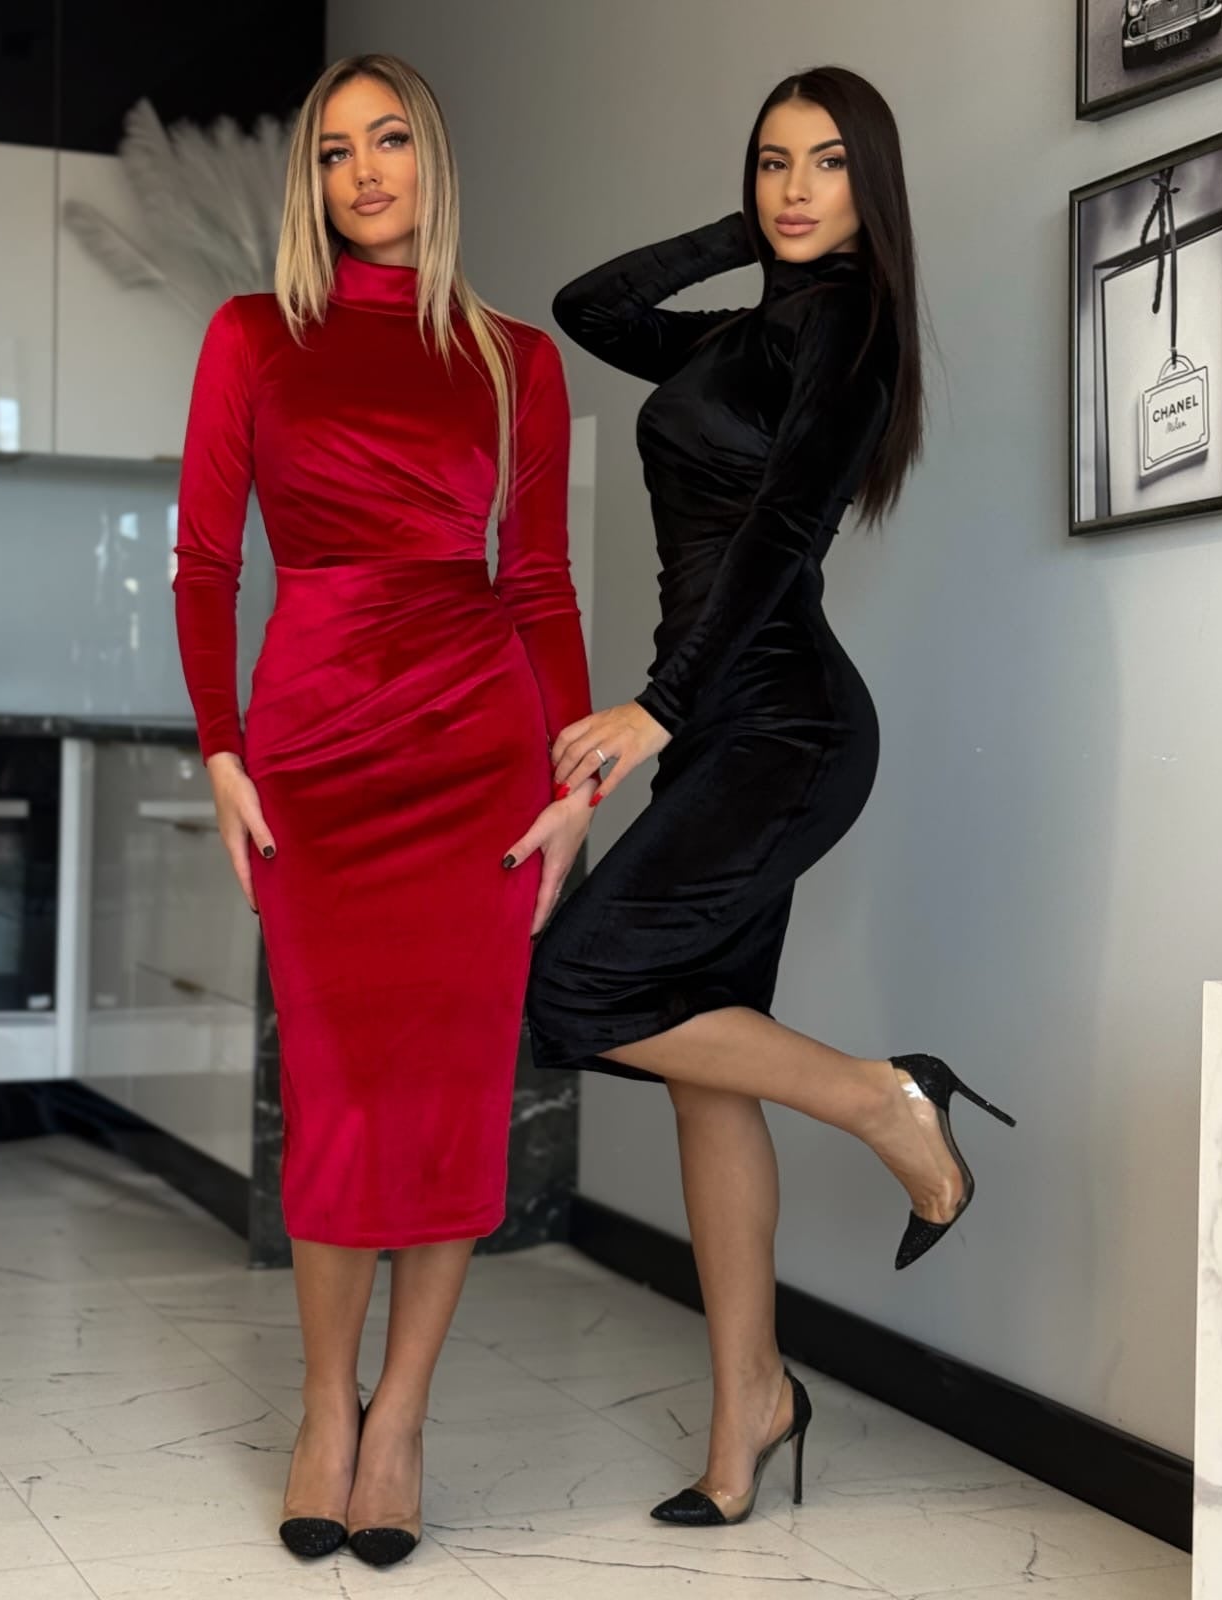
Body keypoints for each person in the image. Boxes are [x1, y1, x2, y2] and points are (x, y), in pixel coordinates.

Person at [525, 66, 1014, 1528]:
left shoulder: (851, 324)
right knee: (702, 1065)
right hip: (729, 731)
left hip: (780, 727)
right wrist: (746, 234)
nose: (797, 189)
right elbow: (592, 306)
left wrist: (654, 707)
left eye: (828, 165)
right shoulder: (751, 327)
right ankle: (750, 1403)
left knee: (573, 986)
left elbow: (782, 534)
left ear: (876, 187)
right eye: (773, 163)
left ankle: (886, 1098)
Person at [173, 53, 592, 1568]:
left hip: (477, 753)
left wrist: (573, 784)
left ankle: (400, 1417)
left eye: (390, 139)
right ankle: (322, 1404)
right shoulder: (252, 336)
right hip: (313, 754)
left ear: (433, 161)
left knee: (452, 1093)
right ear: (314, 181)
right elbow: (207, 564)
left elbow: (538, 582)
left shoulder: (515, 358)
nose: (364, 171)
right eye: (335, 150)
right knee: (339, 1089)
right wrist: (223, 749)